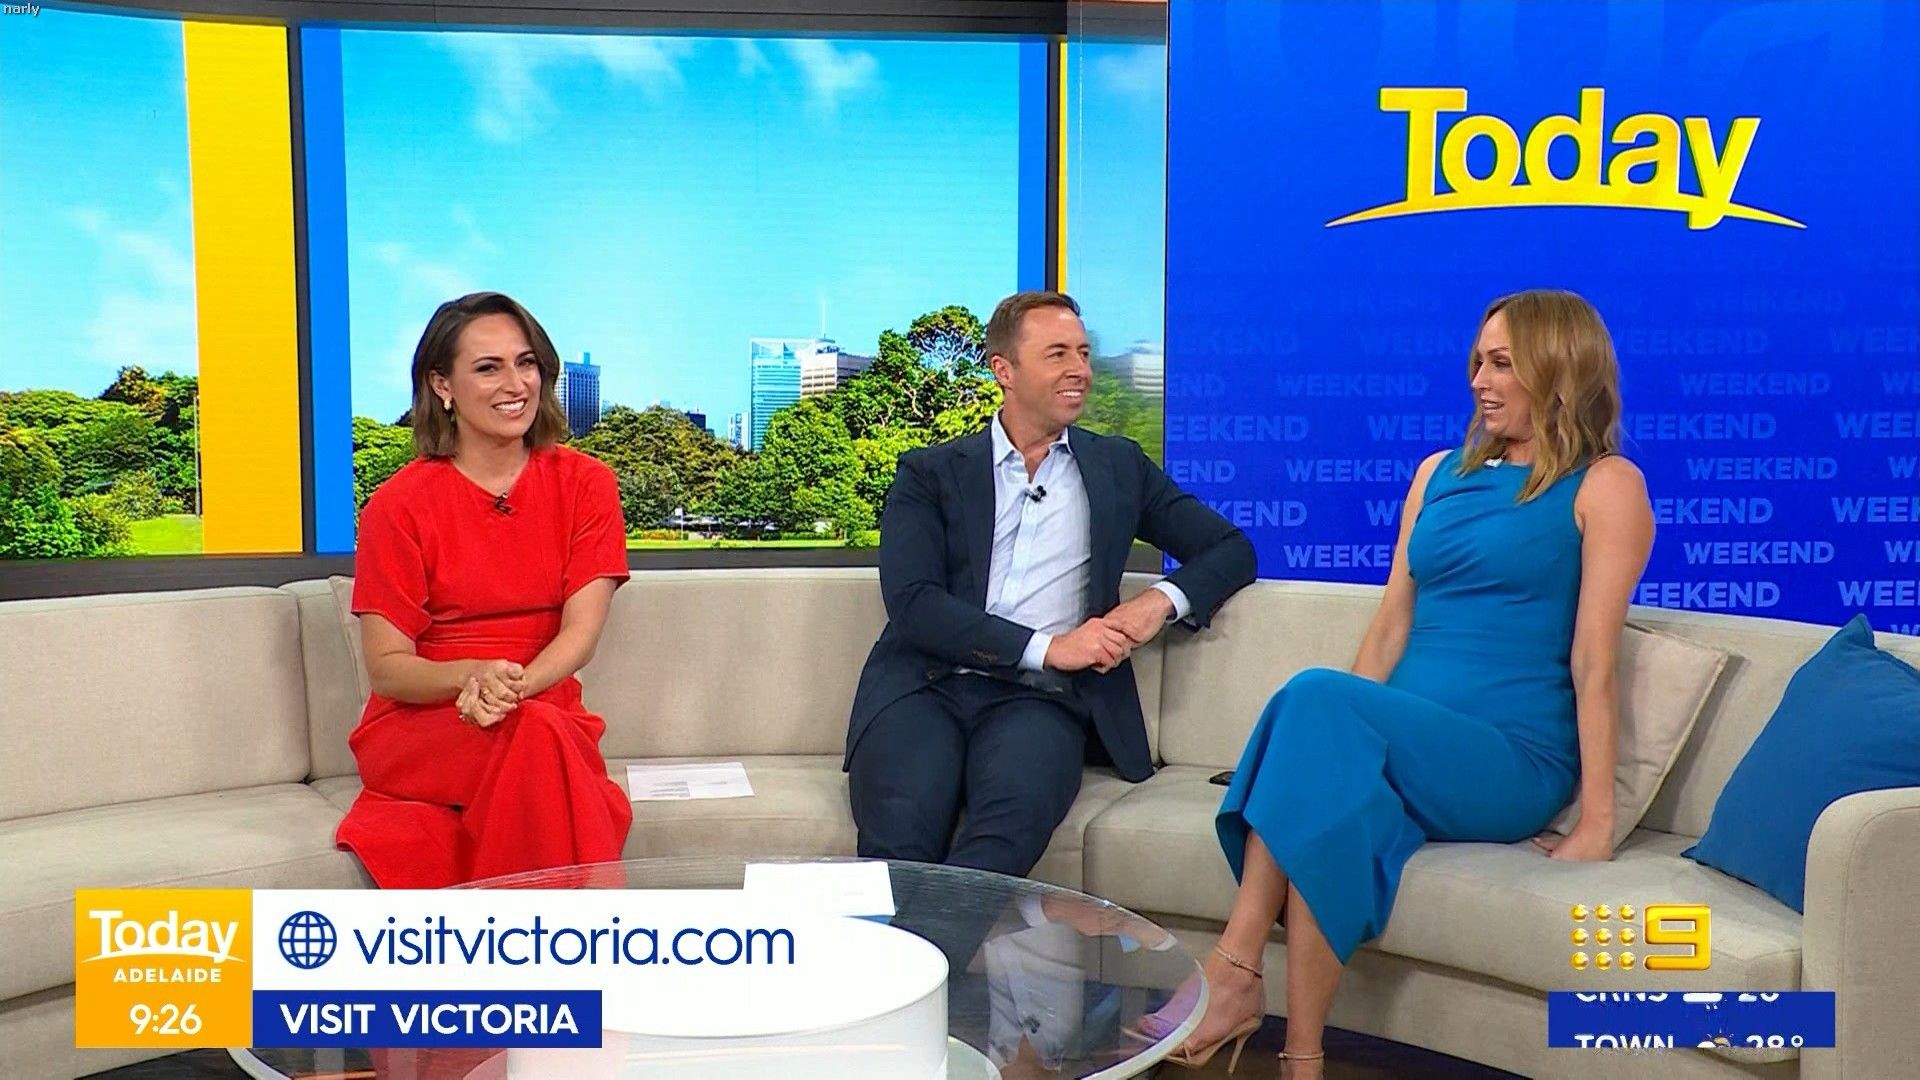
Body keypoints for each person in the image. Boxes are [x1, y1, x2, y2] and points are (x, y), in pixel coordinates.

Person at [1158, 290, 1655, 1076]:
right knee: (1327, 805)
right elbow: (1392, 626)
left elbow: (1594, 660)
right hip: (1408, 740)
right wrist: (1332, 745)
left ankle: (1234, 970)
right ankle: (1301, 1060)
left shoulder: (1607, 485)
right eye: (1477, 362)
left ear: (1560, 369)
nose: (1480, 381)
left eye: (1502, 363)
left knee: (1314, 698)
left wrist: (1597, 820)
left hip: (1509, 759)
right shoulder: (1436, 475)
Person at [845, 290, 1257, 881]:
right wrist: (1050, 646)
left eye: (1084, 354)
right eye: (1057, 354)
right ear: (1004, 371)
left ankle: (933, 941)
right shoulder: (930, 473)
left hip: (1040, 701)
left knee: (1002, 836)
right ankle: (910, 943)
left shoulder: (1118, 467)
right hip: (924, 687)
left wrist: (1158, 603)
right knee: (898, 839)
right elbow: (914, 603)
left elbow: (1231, 548)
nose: (1079, 370)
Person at [334, 291, 634, 889]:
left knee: (538, 736)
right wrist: (473, 677)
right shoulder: (398, 506)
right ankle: (592, 936)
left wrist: (507, 690)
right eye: (489, 368)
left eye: (526, 363)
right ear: (442, 385)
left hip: (542, 704)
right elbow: (388, 668)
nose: (515, 384)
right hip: (427, 722)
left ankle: (522, 939)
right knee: (544, 750)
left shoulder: (587, 485)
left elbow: (581, 633)